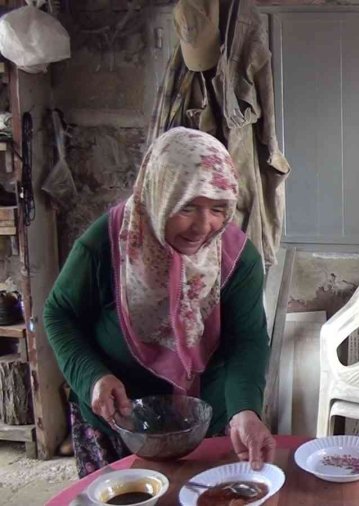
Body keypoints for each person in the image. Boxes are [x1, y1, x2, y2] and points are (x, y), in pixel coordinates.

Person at [44, 127, 275, 477]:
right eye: (187, 207)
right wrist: (93, 377)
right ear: (159, 194)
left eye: (218, 208)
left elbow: (246, 339)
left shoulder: (236, 259)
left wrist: (245, 409)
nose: (203, 226)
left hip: (202, 423)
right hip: (119, 421)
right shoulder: (106, 244)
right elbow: (59, 314)